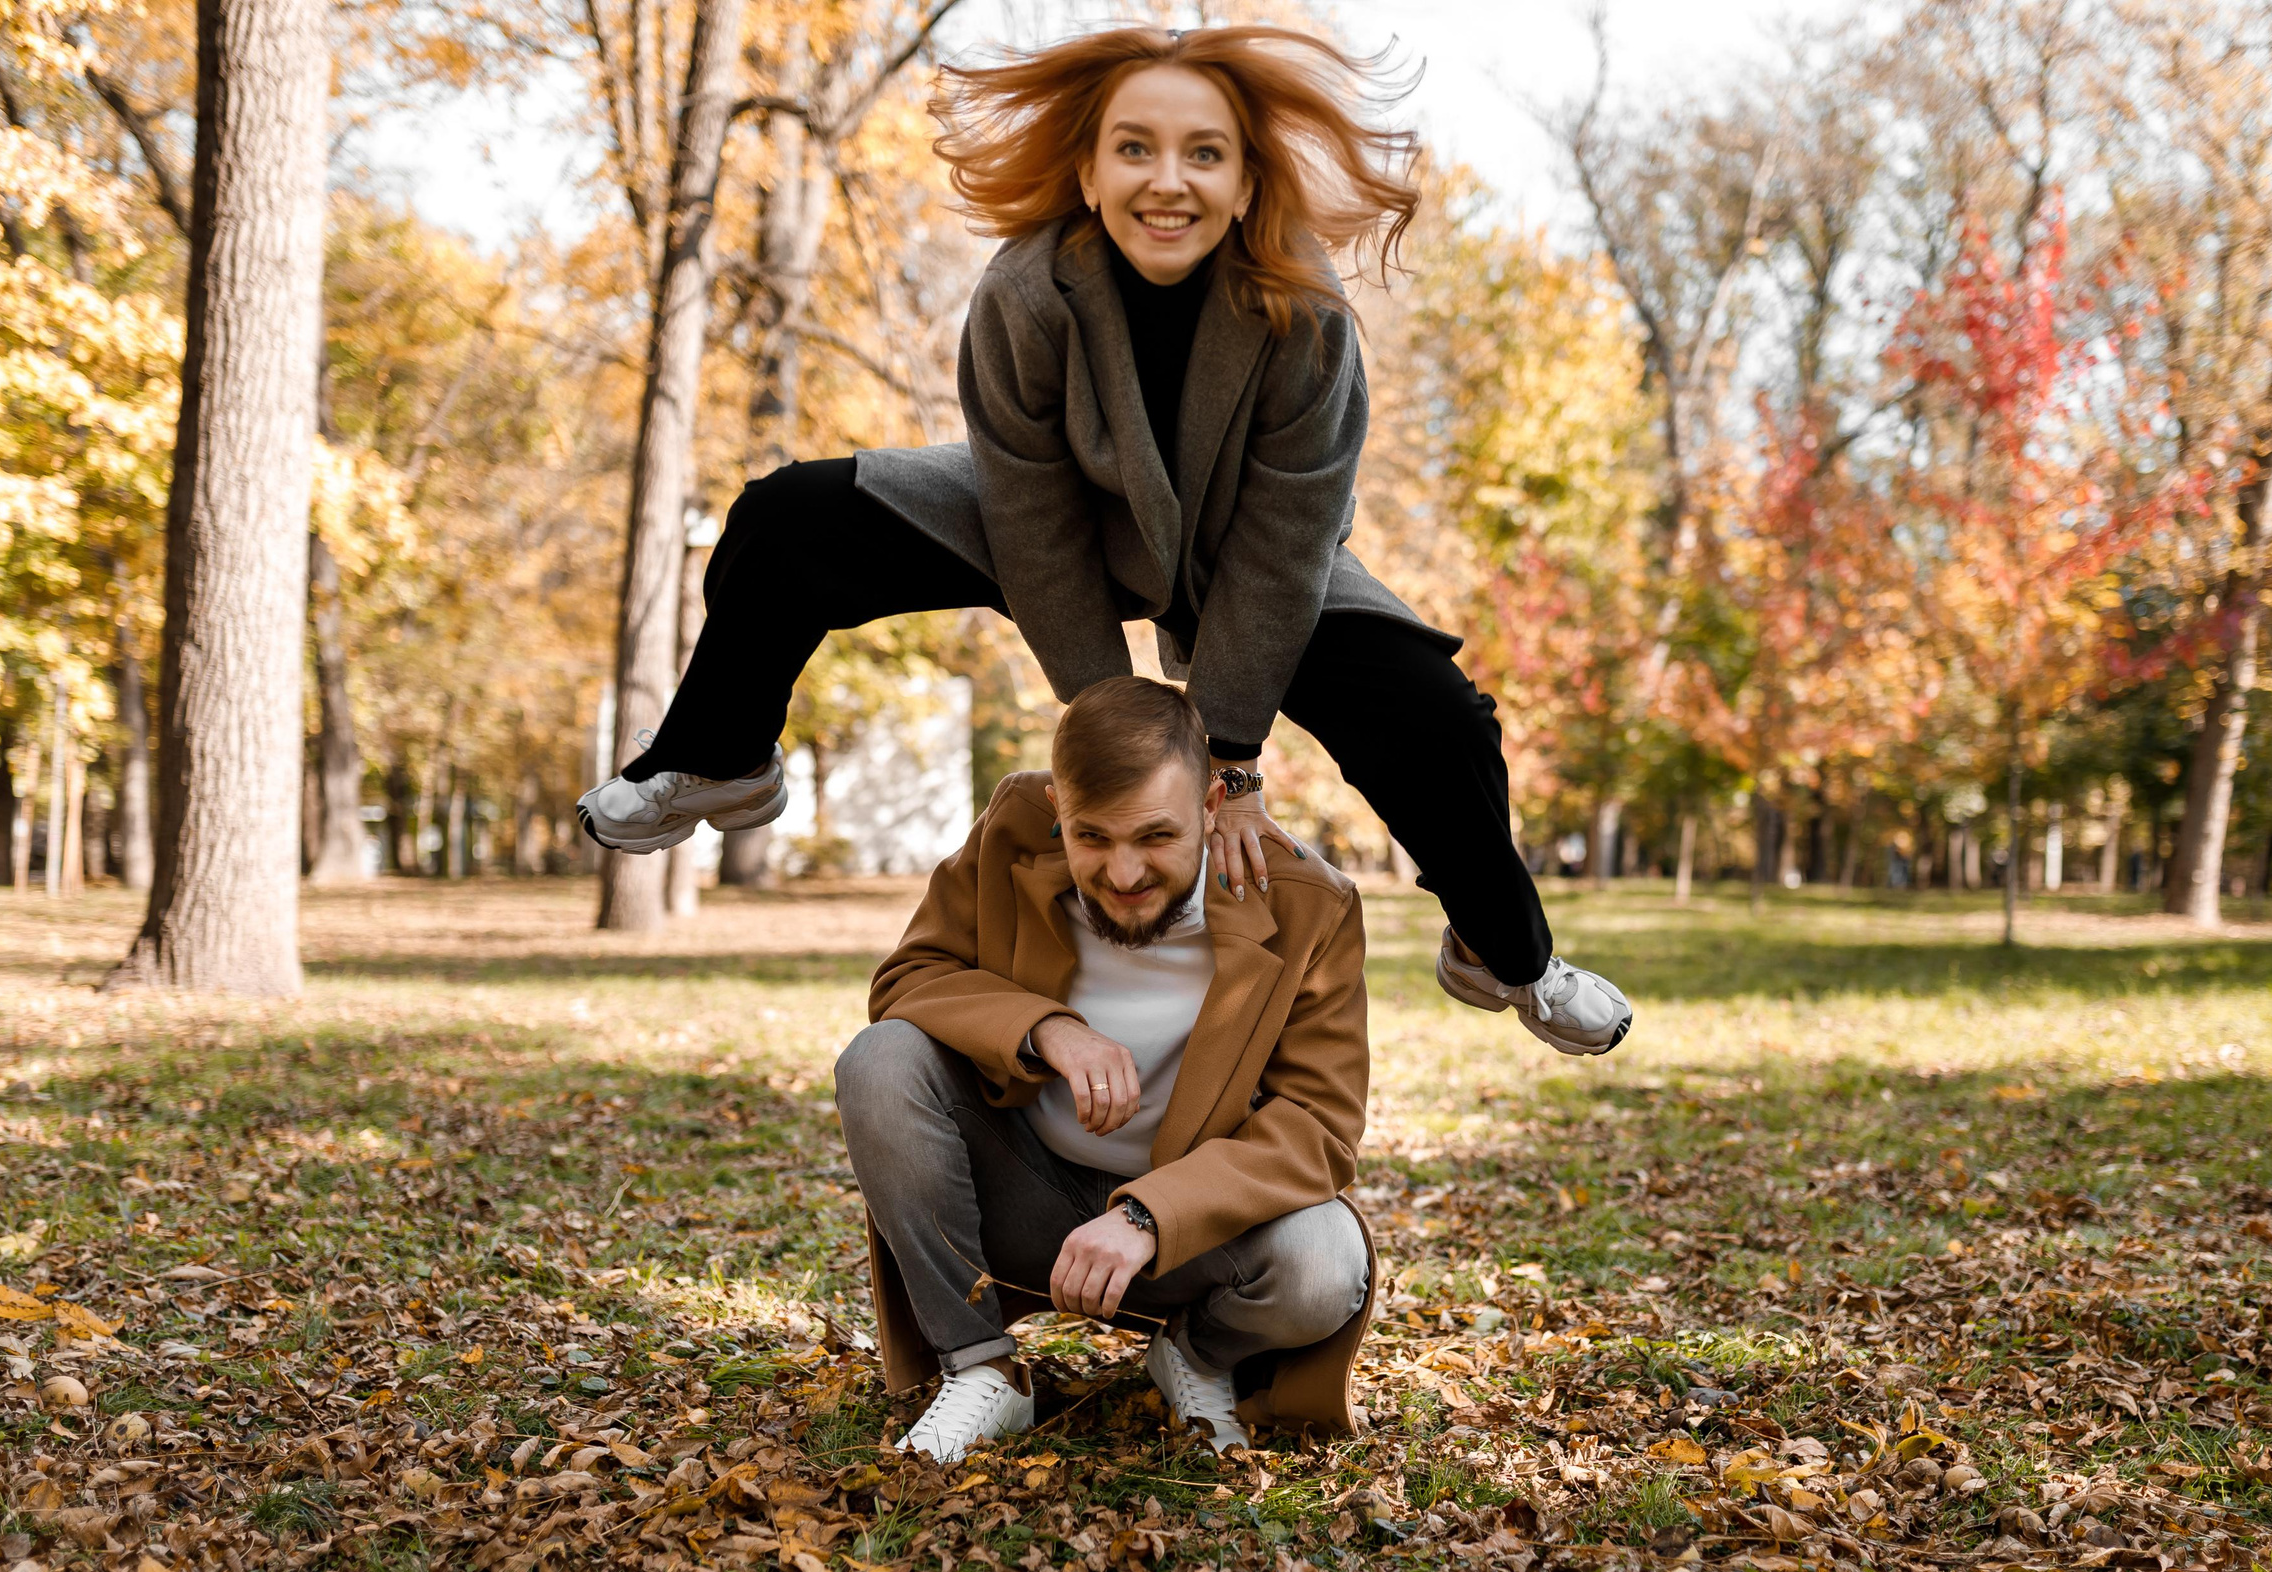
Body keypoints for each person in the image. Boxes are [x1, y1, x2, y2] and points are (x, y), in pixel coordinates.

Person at [578, 24, 1631, 1056]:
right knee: (785, 515)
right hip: (1063, 508)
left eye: (1203, 154)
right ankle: (717, 761)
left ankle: (1510, 957)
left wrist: (1226, 763)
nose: (1166, 181)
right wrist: (1109, 730)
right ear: (1088, 174)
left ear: (1246, 182)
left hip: (1241, 546)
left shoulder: (1304, 315)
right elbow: (1030, 525)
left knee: (1437, 714)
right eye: (1135, 148)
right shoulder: (1027, 292)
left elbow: (1283, 543)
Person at [837, 677, 1374, 1462]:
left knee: (1326, 1264)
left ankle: (1194, 1355)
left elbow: (1320, 1127)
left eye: (1155, 836)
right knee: (879, 1060)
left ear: (1212, 806)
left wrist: (1150, 1215)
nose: (1123, 874)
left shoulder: (1308, 904)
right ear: (1058, 807)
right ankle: (980, 1367)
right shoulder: (1012, 831)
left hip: (1194, 1235)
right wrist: (1046, 1029)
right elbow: (908, 977)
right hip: (1022, 1193)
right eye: (1092, 837)